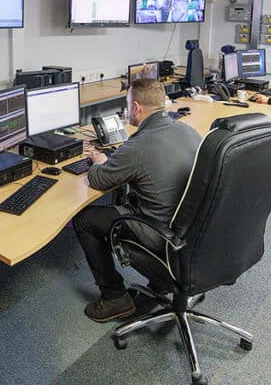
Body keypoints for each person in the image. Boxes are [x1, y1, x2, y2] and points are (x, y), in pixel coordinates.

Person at [72, 78, 202, 323]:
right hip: (192, 231)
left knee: (84, 220)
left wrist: (100, 160)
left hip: (161, 235)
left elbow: (99, 180)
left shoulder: (139, 146)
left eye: (128, 103)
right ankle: (161, 283)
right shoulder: (189, 130)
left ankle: (114, 297)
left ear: (136, 108)